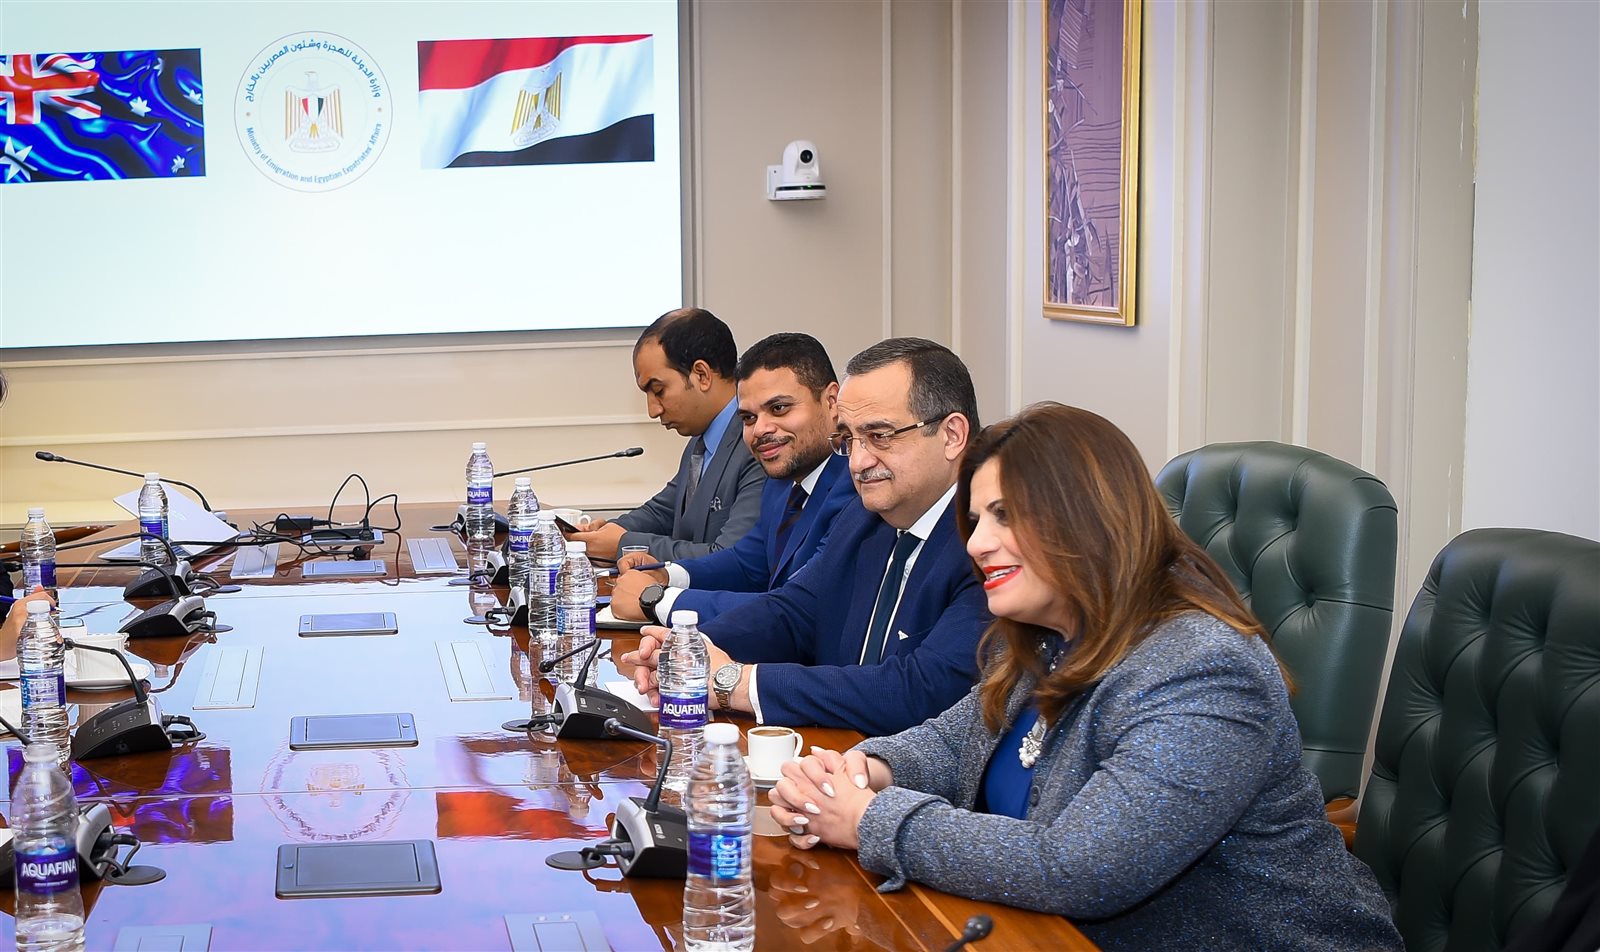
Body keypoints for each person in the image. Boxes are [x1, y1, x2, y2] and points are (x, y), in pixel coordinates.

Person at [767, 402, 1404, 951]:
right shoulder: (1049, 634)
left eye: (1005, 515)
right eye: (978, 520)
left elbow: (1078, 867)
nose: (977, 543)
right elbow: (955, 741)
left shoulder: (1204, 668)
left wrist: (870, 819)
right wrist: (866, 769)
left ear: (1087, 516)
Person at [624, 338, 991, 736]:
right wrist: (687, 650)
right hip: (835, 753)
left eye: (880, 436)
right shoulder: (865, 517)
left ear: (952, 435)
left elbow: (920, 689)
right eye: (849, 439)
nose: (859, 462)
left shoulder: (989, 545)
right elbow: (794, 612)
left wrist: (738, 683)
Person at [609, 333, 855, 625]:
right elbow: (747, 564)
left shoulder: (856, 488)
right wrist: (665, 574)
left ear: (831, 401)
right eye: (748, 418)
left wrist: (658, 600)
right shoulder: (781, 483)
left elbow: (796, 609)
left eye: (778, 408)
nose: (760, 430)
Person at [567, 308, 764, 561]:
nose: (653, 410)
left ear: (702, 375)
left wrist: (624, 545)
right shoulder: (701, 441)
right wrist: (611, 530)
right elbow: (664, 512)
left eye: (659, 391)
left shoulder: (757, 444)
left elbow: (729, 557)